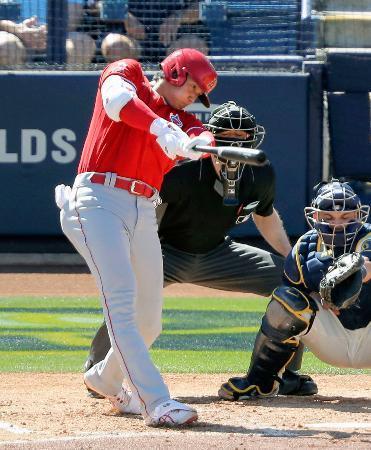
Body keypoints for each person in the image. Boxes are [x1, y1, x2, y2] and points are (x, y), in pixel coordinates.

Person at [85, 101, 318, 398]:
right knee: (127, 296)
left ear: (252, 141)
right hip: (166, 252)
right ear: (211, 140)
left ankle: (281, 374)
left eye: (241, 140)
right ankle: (98, 373)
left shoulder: (260, 172)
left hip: (217, 253)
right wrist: (135, 257)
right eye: (226, 139)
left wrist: (289, 259)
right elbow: (145, 215)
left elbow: (265, 216)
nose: (234, 147)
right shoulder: (182, 172)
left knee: (290, 285)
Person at [55, 48, 217, 427]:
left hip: (144, 207)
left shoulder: (180, 119)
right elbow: (116, 102)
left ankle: (103, 379)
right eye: (193, 86)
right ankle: (156, 402)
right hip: (97, 197)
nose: (195, 95)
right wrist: (163, 130)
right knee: (123, 303)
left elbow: (200, 133)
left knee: (149, 321)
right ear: (175, 73)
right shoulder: (128, 73)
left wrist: (195, 145)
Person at [219, 179, 371, 400]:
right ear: (315, 217)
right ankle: (263, 381)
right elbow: (287, 316)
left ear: (359, 215)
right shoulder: (304, 249)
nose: (338, 224)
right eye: (328, 218)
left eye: (347, 217)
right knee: (287, 300)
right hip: (332, 339)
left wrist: (362, 273)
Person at [78, 0, 209, 64]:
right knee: (115, 46)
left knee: (193, 49)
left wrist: (180, 17)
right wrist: (123, 15)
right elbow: (95, 4)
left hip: (176, 37)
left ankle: (175, 109)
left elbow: (206, 5)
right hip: (129, 37)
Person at [0, 1, 95, 67]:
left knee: (83, 45)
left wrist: (47, 33)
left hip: (59, 37)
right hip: (14, 33)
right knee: (4, 47)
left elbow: (74, 15)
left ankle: (63, 93)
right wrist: (18, 29)